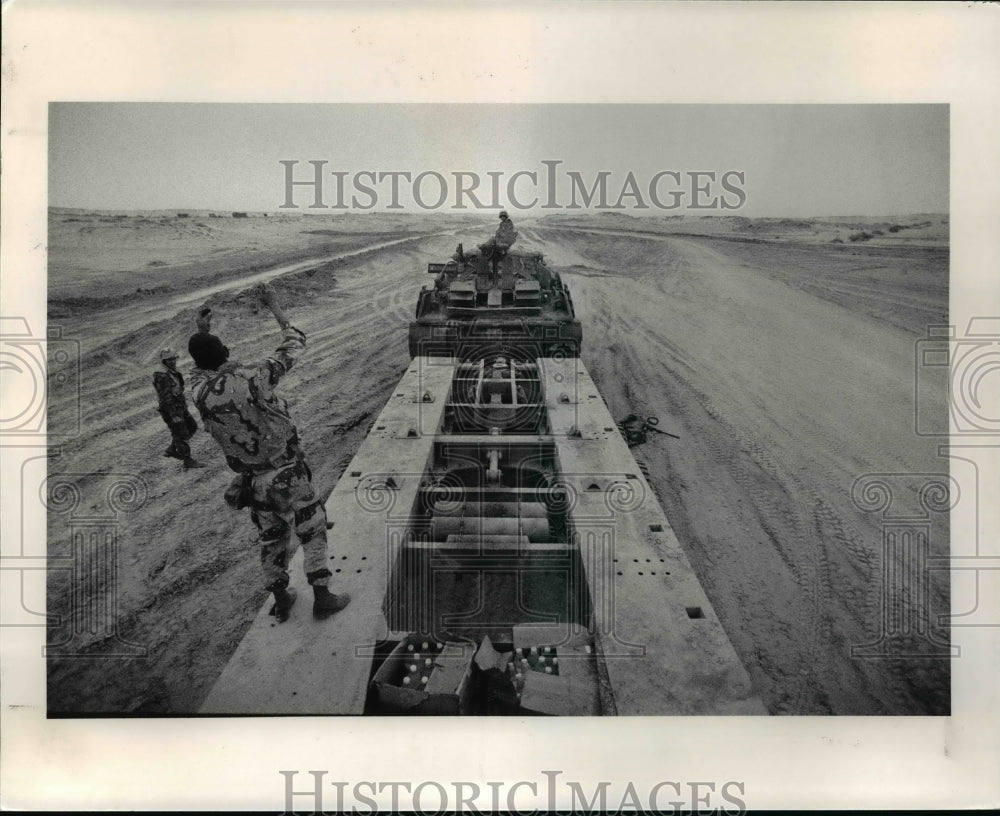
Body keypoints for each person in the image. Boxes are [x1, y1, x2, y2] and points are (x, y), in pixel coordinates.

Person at [187, 283, 350, 623]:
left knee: (271, 538)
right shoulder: (252, 378)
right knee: (312, 528)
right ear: (226, 352)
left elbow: (198, 369)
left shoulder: (198, 392)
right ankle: (322, 597)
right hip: (286, 473)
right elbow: (294, 343)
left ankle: (282, 598)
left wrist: (201, 332)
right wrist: (275, 307)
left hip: (253, 481)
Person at [153, 348, 205, 470]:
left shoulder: (171, 372)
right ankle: (187, 460)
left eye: (173, 358)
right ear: (164, 361)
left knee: (191, 426)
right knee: (181, 433)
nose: (173, 361)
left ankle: (172, 449)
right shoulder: (162, 375)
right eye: (169, 359)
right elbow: (165, 398)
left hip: (179, 407)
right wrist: (173, 415)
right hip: (172, 410)